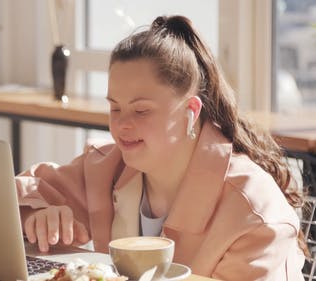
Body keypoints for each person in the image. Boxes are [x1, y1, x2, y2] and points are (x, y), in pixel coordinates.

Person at [16, 15, 306, 280]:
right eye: (115, 109)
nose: (122, 126)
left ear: (190, 112)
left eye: (141, 111)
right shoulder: (106, 166)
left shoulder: (255, 216)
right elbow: (11, 196)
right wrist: (35, 216)